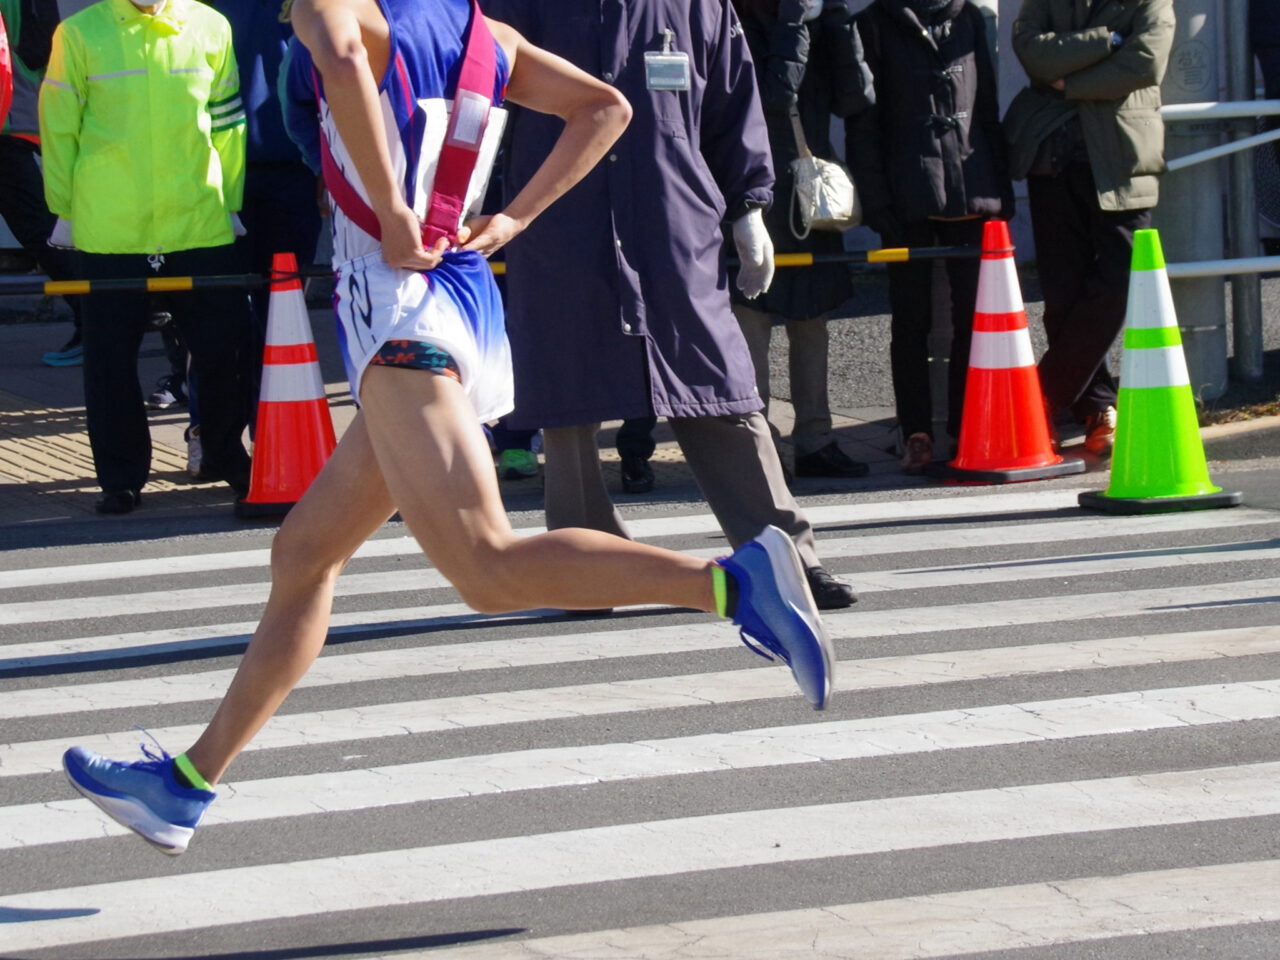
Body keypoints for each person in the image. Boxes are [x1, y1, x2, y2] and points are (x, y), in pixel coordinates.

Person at [61, 0, 834, 856]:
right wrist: (510, 220)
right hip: (456, 298)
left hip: (400, 313)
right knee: (305, 554)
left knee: (487, 568)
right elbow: (606, 109)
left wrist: (391, 208)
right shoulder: (482, 34)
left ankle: (734, 585)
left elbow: (349, 61)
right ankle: (185, 785)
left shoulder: (334, 9)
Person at [482, 0, 857, 611]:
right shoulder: (516, 6)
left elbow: (734, 101)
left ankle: (788, 556)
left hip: (675, 222)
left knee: (719, 388)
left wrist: (749, 207)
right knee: (567, 398)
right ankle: (587, 567)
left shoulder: (696, 5)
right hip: (558, 222)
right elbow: (476, 100)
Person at [38, 0, 255, 513]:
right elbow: (59, 128)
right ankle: (120, 476)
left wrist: (230, 204)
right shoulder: (78, 34)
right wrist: (65, 212)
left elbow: (227, 123)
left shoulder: (210, 25)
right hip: (110, 228)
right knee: (109, 361)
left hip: (197, 222)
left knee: (224, 349)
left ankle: (224, 457)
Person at [1003, 0, 1175, 456]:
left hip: (1121, 156)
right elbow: (1033, 55)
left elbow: (1146, 62)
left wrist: (1069, 82)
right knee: (1063, 294)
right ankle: (1098, 406)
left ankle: (1043, 395)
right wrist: (1106, 42)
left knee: (1122, 282)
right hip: (1051, 156)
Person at [848, 0, 1012, 473]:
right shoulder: (874, 24)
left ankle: (965, 426)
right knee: (911, 320)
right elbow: (865, 123)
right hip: (907, 195)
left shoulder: (971, 19)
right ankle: (916, 431)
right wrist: (877, 201)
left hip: (972, 188)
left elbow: (987, 107)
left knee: (973, 321)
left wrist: (1000, 187)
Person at [730, 0, 873, 479]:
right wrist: (793, 21)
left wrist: (838, 20)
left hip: (808, 192)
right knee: (751, 317)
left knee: (813, 320)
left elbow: (857, 96)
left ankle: (817, 439)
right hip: (753, 187)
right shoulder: (735, 20)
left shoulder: (813, 20)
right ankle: (758, 443)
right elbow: (773, 96)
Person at [0, 0, 83, 366]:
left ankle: (95, 318)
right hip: (12, 116)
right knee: (38, 228)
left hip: (8, 119)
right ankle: (95, 318)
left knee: (38, 228)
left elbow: (38, 47)